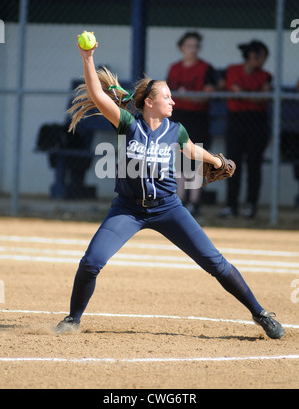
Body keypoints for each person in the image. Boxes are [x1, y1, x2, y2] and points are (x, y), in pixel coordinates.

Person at [55, 33, 284, 340]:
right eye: (167, 97)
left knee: (215, 263)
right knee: (92, 261)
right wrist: (88, 58)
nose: (173, 101)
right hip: (128, 209)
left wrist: (216, 161)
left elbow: (191, 149)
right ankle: (72, 319)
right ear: (149, 103)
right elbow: (98, 95)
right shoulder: (127, 124)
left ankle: (260, 313)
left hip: (168, 208)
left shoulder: (175, 130)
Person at [219, 40, 272, 219]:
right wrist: (250, 95)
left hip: (257, 122)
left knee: (254, 164)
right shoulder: (233, 70)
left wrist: (244, 94)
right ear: (252, 56)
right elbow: (235, 90)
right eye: (261, 57)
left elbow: (263, 98)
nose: (263, 61)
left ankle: (251, 205)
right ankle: (231, 205)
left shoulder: (265, 75)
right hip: (236, 121)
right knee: (232, 164)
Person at [167, 31, 216, 216]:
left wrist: (188, 96)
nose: (192, 50)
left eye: (195, 46)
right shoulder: (174, 68)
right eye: (189, 46)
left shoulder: (206, 68)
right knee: (179, 161)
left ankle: (194, 203)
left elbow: (207, 95)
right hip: (179, 117)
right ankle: (179, 200)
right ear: (182, 48)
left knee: (196, 160)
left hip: (198, 118)